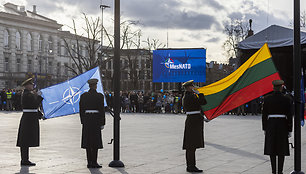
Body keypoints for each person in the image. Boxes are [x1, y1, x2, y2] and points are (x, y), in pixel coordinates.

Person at [262, 80, 293, 174]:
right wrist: (289, 129)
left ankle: (273, 171)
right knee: (281, 149)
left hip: (271, 124)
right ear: (281, 87)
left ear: (273, 87)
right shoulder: (287, 99)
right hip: (282, 124)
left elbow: (264, 115)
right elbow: (289, 115)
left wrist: (265, 127)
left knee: (272, 149)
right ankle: (280, 171)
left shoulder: (267, 99)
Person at [16, 78, 43, 166]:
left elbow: (33, 108)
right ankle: (24, 160)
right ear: (27, 86)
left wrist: (40, 115)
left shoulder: (28, 94)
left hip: (29, 118)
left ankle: (25, 159)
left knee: (26, 140)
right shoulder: (27, 94)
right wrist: (39, 97)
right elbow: (34, 105)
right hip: (28, 119)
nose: (32, 86)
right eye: (31, 84)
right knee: (24, 140)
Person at [79, 78, 105, 168]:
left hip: (87, 120)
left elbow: (81, 110)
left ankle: (89, 162)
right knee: (95, 142)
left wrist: (83, 120)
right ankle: (94, 161)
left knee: (88, 142)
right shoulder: (99, 96)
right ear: (95, 86)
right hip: (95, 120)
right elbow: (101, 110)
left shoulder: (83, 96)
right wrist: (102, 122)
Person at [182, 80, 207, 173]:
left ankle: (191, 165)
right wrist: (199, 94)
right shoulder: (189, 97)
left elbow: (202, 103)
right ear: (188, 87)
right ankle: (191, 166)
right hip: (193, 121)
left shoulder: (190, 96)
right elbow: (202, 102)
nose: (194, 87)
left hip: (194, 120)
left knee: (192, 146)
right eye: (192, 86)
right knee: (191, 146)